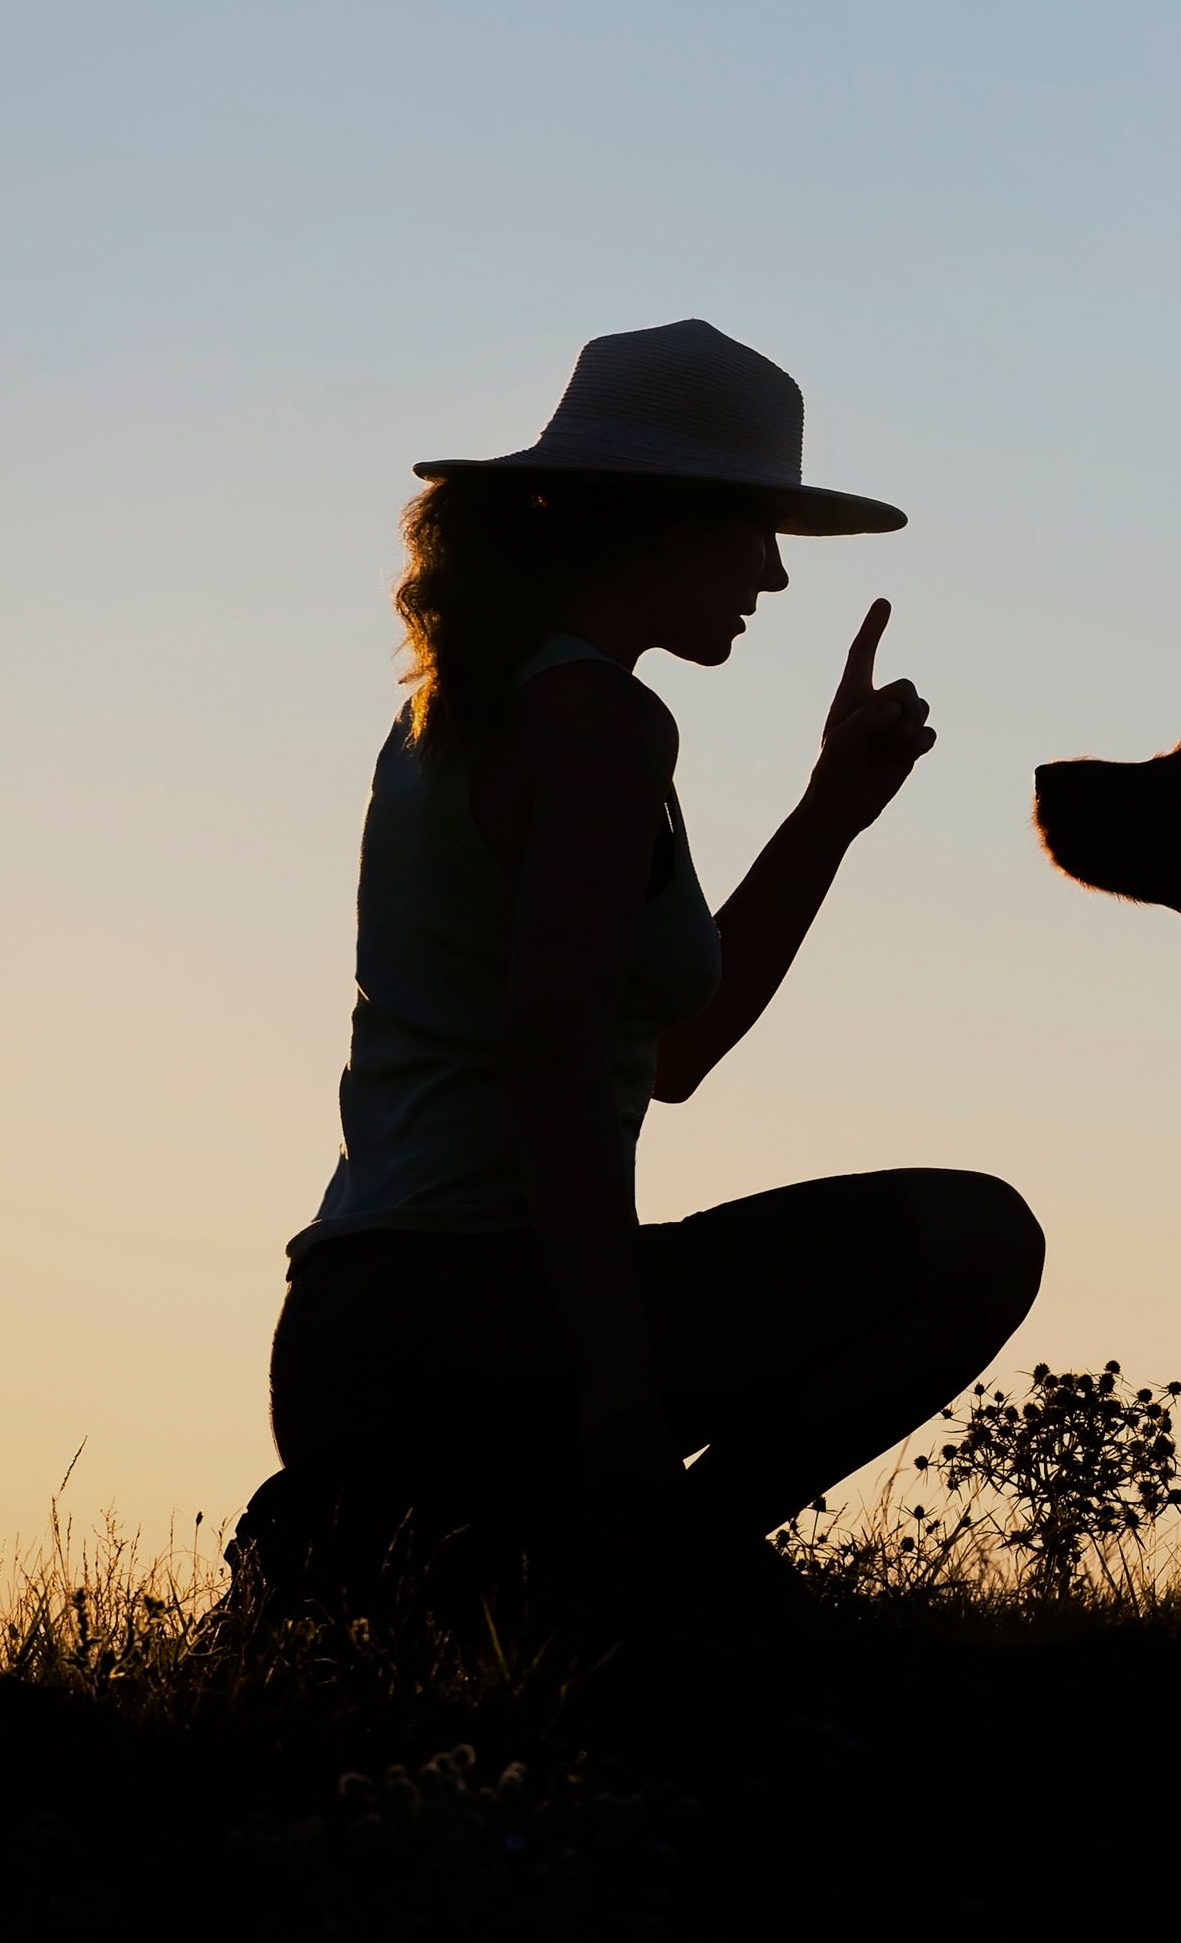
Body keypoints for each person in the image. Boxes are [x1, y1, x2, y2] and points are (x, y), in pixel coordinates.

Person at [243, 320, 1043, 1621]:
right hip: (474, 1318)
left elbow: (670, 1057)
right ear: (664, 522)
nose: (775, 573)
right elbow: (551, 1061)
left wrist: (832, 811)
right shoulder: (600, 723)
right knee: (981, 1239)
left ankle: (554, 1565)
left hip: (360, 1333)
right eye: (756, 529)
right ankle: (651, 1571)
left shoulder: (473, 707)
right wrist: (617, 1391)